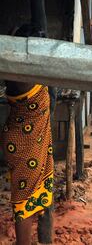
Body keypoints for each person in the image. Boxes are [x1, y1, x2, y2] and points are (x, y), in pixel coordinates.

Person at [0, 24, 54, 245]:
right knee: (23, 201)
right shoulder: (24, 74)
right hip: (26, 143)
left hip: (26, 139)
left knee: (30, 195)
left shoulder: (21, 72)